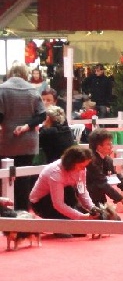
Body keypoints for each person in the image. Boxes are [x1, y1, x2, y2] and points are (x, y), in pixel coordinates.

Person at [0, 62, 45, 210]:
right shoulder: (33, 90)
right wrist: (26, 127)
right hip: (28, 142)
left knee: (5, 177)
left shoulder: (2, 90)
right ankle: (23, 211)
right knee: (24, 178)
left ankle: (6, 210)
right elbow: (42, 115)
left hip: (6, 140)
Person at [29, 145, 98, 220]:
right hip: (41, 203)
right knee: (75, 218)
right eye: (81, 166)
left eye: (85, 166)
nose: (83, 169)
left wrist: (91, 207)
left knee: (70, 192)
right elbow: (58, 204)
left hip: (65, 196)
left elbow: (82, 191)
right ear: (72, 163)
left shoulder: (81, 170)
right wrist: (81, 216)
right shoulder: (55, 173)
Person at [85, 129, 123, 209]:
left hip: (99, 198)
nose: (112, 147)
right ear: (99, 147)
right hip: (87, 201)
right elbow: (102, 184)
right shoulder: (91, 161)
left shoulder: (107, 160)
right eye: (108, 144)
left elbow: (117, 178)